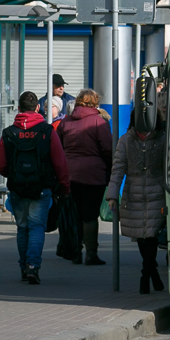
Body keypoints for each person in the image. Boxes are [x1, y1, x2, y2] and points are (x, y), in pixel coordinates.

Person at [0, 91, 71, 284]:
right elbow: (60, 162)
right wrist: (64, 185)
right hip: (41, 187)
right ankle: (33, 266)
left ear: (19, 108)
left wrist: (14, 176)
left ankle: (23, 266)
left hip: (18, 188)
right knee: (37, 226)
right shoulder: (47, 131)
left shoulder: (9, 133)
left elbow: (1, 165)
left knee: (22, 227)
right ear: (38, 107)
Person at [105, 113, 167, 294]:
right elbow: (117, 169)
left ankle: (145, 275)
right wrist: (112, 195)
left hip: (157, 192)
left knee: (152, 235)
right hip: (134, 194)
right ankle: (151, 273)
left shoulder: (163, 139)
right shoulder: (126, 140)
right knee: (141, 236)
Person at [56, 88, 113, 265]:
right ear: (94, 102)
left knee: (75, 213)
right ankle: (91, 253)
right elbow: (108, 149)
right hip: (93, 175)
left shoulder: (65, 122)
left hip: (70, 174)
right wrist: (111, 172)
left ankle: (75, 252)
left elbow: (58, 148)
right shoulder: (99, 122)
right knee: (90, 215)